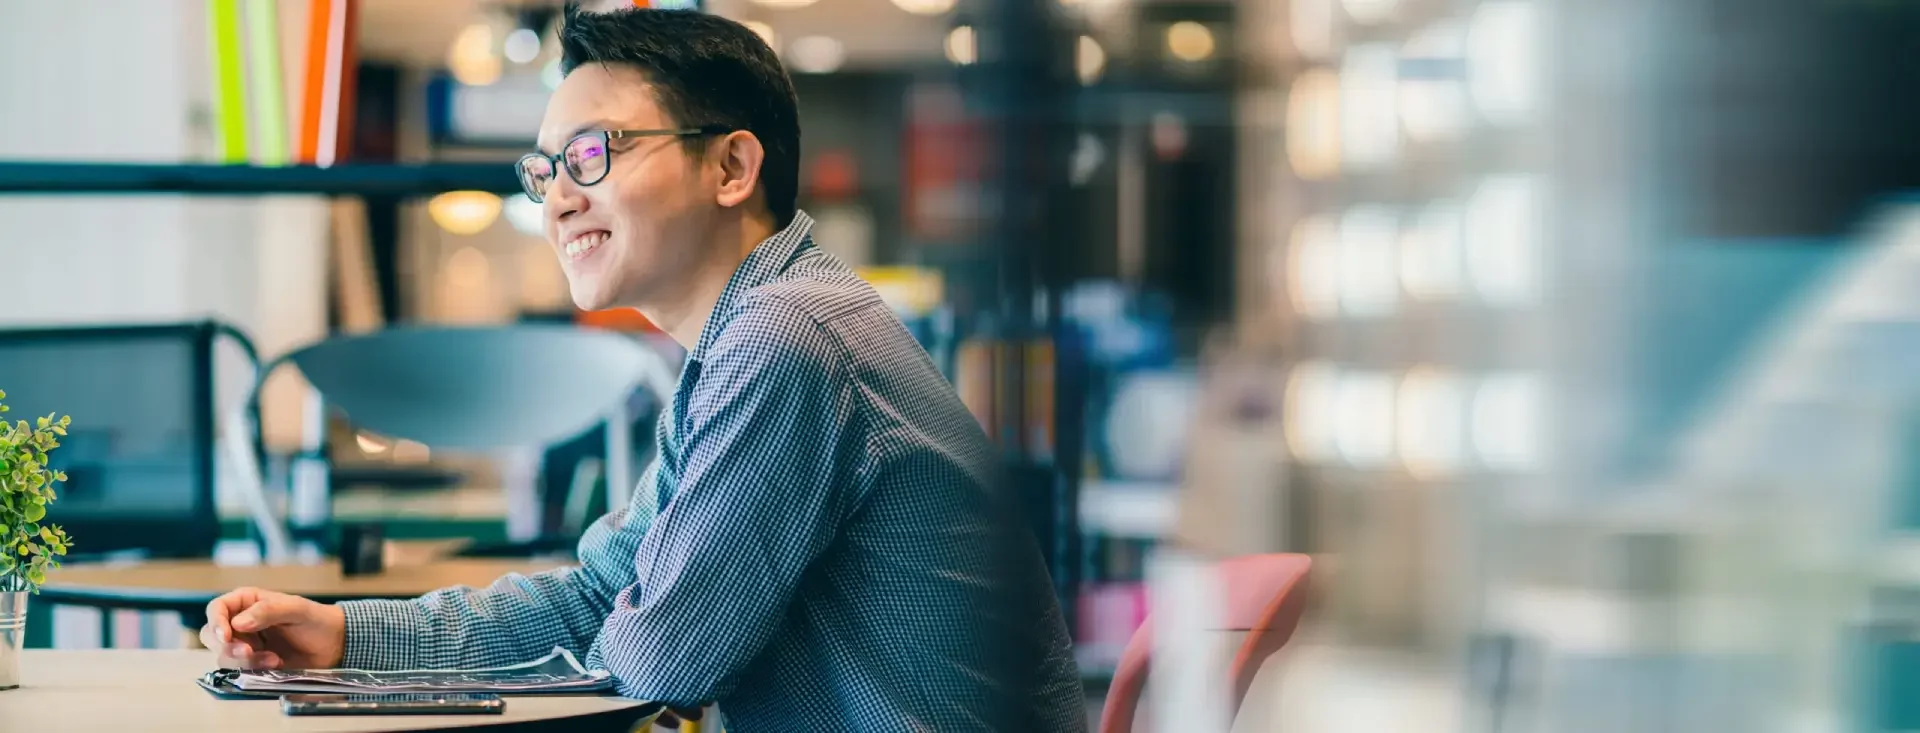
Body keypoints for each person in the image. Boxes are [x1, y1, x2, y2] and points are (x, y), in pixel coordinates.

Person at [199, 7, 1084, 732]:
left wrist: (621, 619)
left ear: (732, 165)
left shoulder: (787, 340)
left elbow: (660, 658)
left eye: (593, 155)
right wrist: (346, 632)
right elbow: (600, 596)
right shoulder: (748, 333)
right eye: (544, 170)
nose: (557, 198)